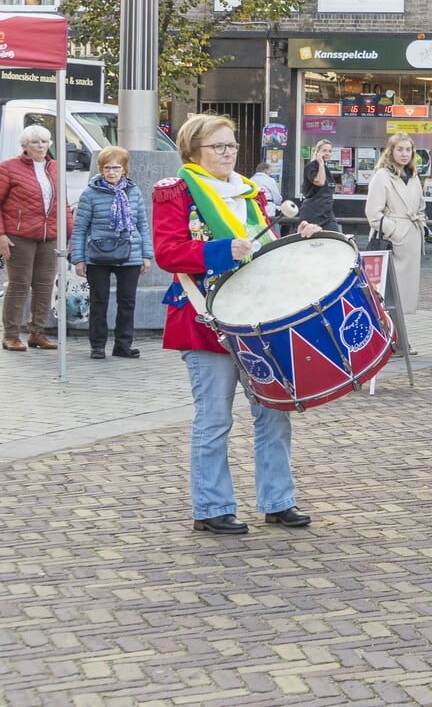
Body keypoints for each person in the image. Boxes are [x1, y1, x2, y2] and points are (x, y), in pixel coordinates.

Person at [155, 112, 321, 534]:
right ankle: (211, 508)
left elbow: (260, 250)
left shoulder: (251, 194)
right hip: (203, 320)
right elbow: (168, 253)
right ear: (194, 150)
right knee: (214, 418)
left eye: (231, 145)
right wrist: (222, 250)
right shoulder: (175, 192)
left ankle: (277, 500)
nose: (229, 153)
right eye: (219, 146)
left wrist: (295, 237)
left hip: (255, 318)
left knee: (273, 413)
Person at [70, 145, 154, 360]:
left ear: (124, 169)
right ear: (100, 169)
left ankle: (123, 345)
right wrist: (78, 258)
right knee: (99, 301)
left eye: (116, 167)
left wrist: (146, 255)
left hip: (130, 253)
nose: (111, 172)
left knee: (127, 302)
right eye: (107, 168)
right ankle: (97, 346)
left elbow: (142, 224)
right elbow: (80, 228)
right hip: (98, 255)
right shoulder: (90, 193)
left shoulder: (133, 192)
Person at [0, 125, 69, 352]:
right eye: (35, 142)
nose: (41, 146)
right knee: (19, 285)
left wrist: (69, 234)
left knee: (45, 285)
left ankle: (36, 333)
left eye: (45, 141)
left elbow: (63, 204)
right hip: (19, 237)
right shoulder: (8, 168)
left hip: (49, 237)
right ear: (25, 146)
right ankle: (10, 335)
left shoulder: (56, 168)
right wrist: (1, 235)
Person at [364, 133, 426, 355]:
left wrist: (420, 223)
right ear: (391, 151)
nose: (404, 154)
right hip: (392, 241)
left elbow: (419, 206)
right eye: (400, 149)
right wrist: (394, 230)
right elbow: (372, 213)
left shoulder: (414, 176)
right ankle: (393, 341)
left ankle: (398, 341)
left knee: (401, 295)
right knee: (389, 295)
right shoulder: (382, 176)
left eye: (408, 150)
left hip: (411, 239)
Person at [298, 139, 340, 232]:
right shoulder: (311, 166)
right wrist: (320, 162)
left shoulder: (326, 169)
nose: (327, 153)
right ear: (317, 152)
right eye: (324, 151)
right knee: (312, 242)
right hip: (313, 212)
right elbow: (320, 182)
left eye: (329, 151)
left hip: (327, 212)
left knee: (334, 238)